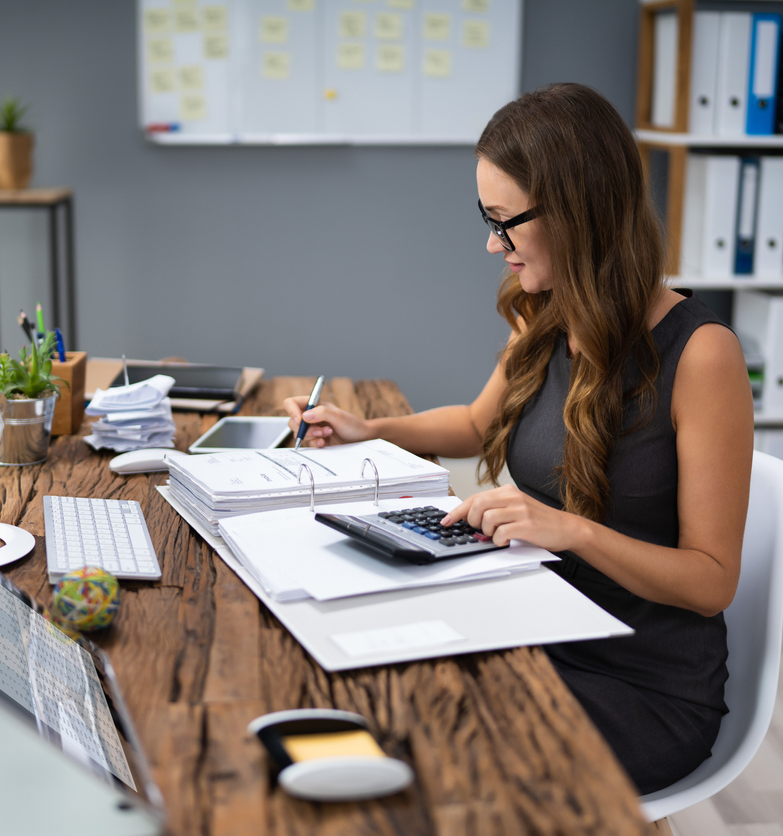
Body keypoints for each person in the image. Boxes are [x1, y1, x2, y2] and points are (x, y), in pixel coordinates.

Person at [282, 83, 754, 795]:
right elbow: (477, 424)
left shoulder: (703, 355)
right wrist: (370, 429)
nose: (492, 243)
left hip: (642, 684)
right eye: (487, 218)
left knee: (433, 760)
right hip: (535, 624)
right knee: (369, 695)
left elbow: (712, 580)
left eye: (505, 222)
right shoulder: (547, 310)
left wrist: (573, 531)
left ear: (578, 213)